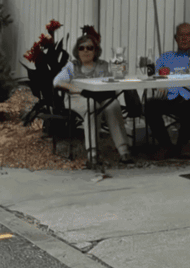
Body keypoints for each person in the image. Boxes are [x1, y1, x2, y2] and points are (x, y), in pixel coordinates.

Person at [53, 29, 133, 170]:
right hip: (77, 97)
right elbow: (57, 82)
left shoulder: (104, 65)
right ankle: (93, 154)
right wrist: (76, 89)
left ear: (96, 50)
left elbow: (118, 79)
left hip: (102, 96)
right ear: (77, 51)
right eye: (82, 48)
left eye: (90, 47)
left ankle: (124, 151)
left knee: (113, 105)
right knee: (92, 106)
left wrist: (120, 69)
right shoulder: (72, 66)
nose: (86, 51)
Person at [144, 22, 190, 159]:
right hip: (171, 98)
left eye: (187, 35)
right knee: (150, 104)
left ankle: (182, 144)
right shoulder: (167, 57)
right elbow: (158, 74)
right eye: (181, 35)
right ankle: (166, 145)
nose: (184, 38)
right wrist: (161, 82)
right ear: (175, 38)